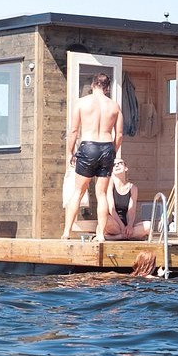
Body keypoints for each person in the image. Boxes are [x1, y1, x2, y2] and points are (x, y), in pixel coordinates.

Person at [62, 72, 124, 241]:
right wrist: (112, 151)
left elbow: (74, 130)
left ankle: (67, 232)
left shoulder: (82, 103)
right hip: (106, 147)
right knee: (102, 194)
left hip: (88, 146)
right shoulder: (114, 106)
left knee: (78, 191)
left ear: (92, 85)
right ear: (107, 88)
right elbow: (119, 135)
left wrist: (70, 152)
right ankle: (100, 235)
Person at [104, 158, 151, 240]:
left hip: (126, 223)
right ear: (112, 170)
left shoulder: (133, 188)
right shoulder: (110, 184)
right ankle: (128, 235)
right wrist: (122, 227)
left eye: (120, 163)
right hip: (114, 222)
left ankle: (117, 237)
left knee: (149, 225)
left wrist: (129, 226)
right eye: (114, 165)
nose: (117, 165)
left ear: (126, 168)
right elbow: (112, 210)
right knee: (105, 219)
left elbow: (131, 211)